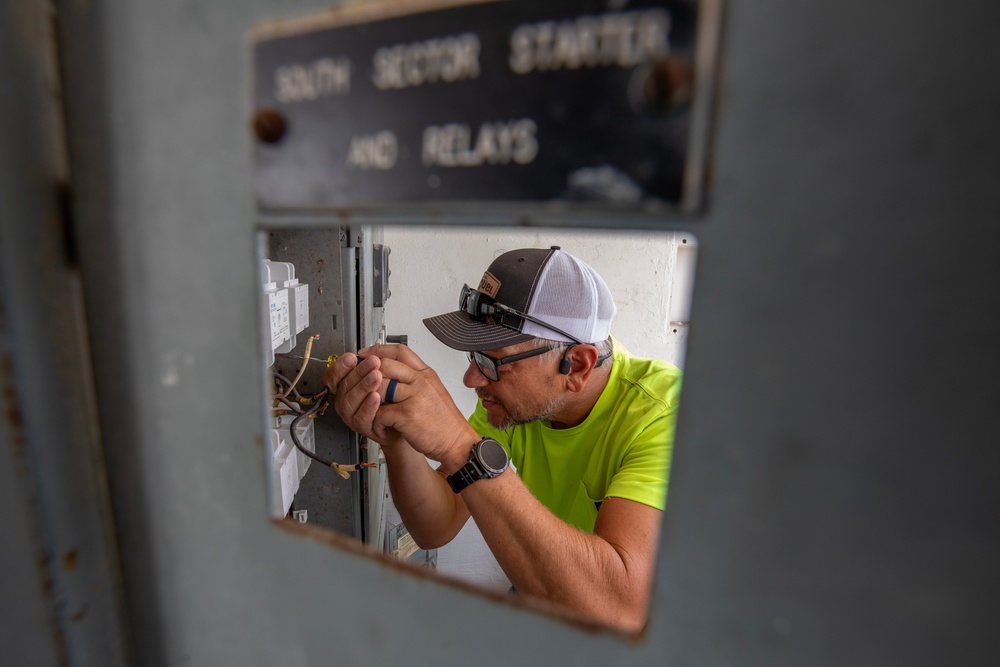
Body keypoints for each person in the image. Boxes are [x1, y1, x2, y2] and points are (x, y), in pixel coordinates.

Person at [324, 246, 682, 632]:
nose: (472, 380)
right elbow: (436, 527)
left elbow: (617, 610)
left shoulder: (664, 417)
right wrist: (397, 440)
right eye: (473, 356)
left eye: (491, 363)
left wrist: (462, 447)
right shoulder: (518, 406)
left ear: (577, 365)